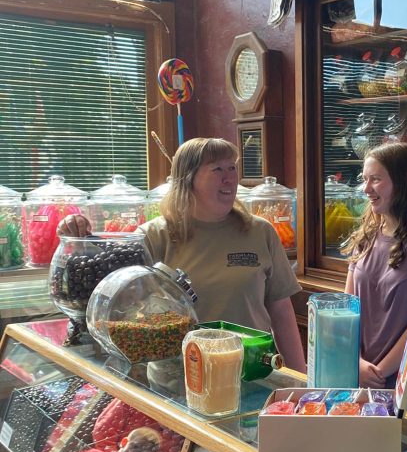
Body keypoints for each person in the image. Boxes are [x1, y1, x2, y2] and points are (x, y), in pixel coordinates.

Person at [59, 137, 306, 371]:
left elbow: (281, 310)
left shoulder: (260, 231)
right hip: (178, 378)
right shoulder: (153, 236)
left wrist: (299, 377)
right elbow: (106, 287)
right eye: (217, 169)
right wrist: (77, 232)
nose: (230, 178)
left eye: (232, 168)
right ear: (187, 180)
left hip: (252, 372)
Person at [343, 143, 407, 388]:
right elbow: (346, 309)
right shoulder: (365, 236)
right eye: (364, 179)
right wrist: (355, 362)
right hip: (354, 373)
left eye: (376, 179)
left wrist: (377, 373)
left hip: (399, 383)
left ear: (404, 181)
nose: (366, 188)